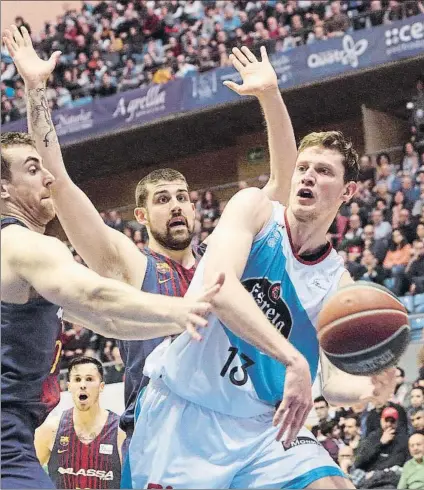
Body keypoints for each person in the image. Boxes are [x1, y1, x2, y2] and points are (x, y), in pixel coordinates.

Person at [3, 25, 296, 462]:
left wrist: (271, 97)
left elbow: (281, 186)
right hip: (163, 433)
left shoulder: (223, 255)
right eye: (163, 200)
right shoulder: (128, 262)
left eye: (182, 198)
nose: (176, 207)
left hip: (236, 425)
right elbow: (56, 180)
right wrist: (35, 89)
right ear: (141, 217)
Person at [124, 45, 397, 486]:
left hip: (263, 429)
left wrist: (367, 389)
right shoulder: (253, 210)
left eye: (324, 172)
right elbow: (218, 286)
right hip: (185, 411)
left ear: (348, 193)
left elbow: (331, 378)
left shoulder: (339, 282)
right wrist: (292, 359)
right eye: (303, 167)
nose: (307, 176)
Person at [0, 129, 221, 490]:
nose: (48, 177)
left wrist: (181, 323)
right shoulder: (26, 245)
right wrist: (185, 311)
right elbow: (97, 296)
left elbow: (111, 321)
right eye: (33, 169)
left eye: (183, 197)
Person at [35, 356, 124, 489]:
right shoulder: (50, 429)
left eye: (89, 379)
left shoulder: (120, 431)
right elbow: (25, 474)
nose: (83, 385)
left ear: (101, 386)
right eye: (77, 379)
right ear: (69, 386)